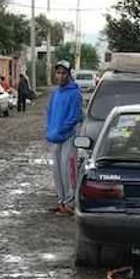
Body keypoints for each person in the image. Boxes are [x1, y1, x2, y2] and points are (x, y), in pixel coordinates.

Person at [46, 60, 83, 216]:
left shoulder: (75, 93)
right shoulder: (55, 94)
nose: (60, 76)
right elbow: (50, 114)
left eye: (63, 73)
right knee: (57, 171)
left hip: (68, 137)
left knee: (68, 170)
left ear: (69, 75)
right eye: (58, 72)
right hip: (55, 138)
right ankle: (61, 200)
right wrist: (50, 130)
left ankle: (70, 203)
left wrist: (61, 130)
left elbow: (75, 116)